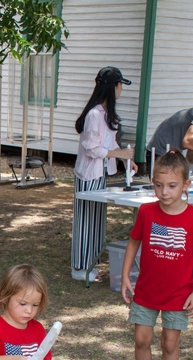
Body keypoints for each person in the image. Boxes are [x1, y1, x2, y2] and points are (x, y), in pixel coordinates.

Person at [119, 151, 193, 360]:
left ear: (185, 185)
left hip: (179, 295)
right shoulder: (146, 211)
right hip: (146, 291)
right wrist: (126, 275)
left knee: (170, 342)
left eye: (172, 186)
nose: (164, 191)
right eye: (158, 185)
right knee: (141, 339)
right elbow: (134, 241)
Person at [72, 66, 138, 282]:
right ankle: (80, 268)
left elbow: (111, 144)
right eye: (120, 85)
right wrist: (118, 153)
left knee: (97, 221)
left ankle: (91, 265)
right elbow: (92, 149)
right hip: (88, 175)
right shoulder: (93, 115)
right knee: (85, 222)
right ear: (113, 87)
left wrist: (126, 158)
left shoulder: (106, 114)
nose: (121, 90)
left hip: (100, 175)